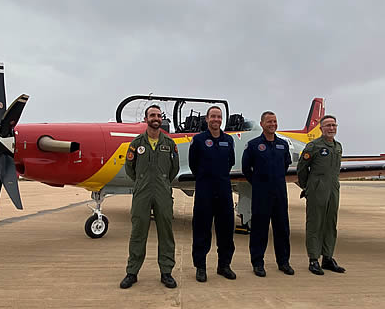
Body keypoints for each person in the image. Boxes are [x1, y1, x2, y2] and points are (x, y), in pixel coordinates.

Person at [120, 104, 180, 289]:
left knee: (166, 232)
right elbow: (129, 168)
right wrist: (142, 181)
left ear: (161, 119)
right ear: (146, 119)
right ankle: (132, 272)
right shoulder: (137, 143)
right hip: (142, 192)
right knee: (138, 231)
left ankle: (166, 272)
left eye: (158, 115)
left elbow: (174, 169)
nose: (156, 118)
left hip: (162, 191)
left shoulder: (169, 144)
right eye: (152, 115)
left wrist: (162, 182)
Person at [241, 111, 294, 277]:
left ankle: (283, 262)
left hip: (279, 194)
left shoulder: (282, 145)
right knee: (259, 230)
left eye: (275, 121)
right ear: (262, 124)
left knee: (282, 229)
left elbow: (285, 165)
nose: (273, 124)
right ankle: (257, 263)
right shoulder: (253, 145)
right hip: (261, 195)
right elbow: (245, 169)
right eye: (269, 121)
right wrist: (257, 183)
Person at [189, 105, 236, 282]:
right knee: (201, 229)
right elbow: (193, 163)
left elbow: (230, 161)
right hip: (205, 191)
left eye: (219, 117)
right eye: (213, 116)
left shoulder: (228, 140)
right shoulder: (199, 140)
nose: (216, 120)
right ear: (207, 119)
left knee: (225, 230)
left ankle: (224, 265)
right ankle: (201, 267)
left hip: (223, 190)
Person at [297, 115, 346, 275]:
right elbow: (302, 168)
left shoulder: (338, 147)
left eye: (333, 125)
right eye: (327, 126)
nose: (331, 128)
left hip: (333, 189)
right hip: (317, 189)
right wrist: (308, 187)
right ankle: (313, 259)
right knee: (315, 223)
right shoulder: (313, 146)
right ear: (321, 128)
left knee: (330, 223)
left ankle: (327, 257)